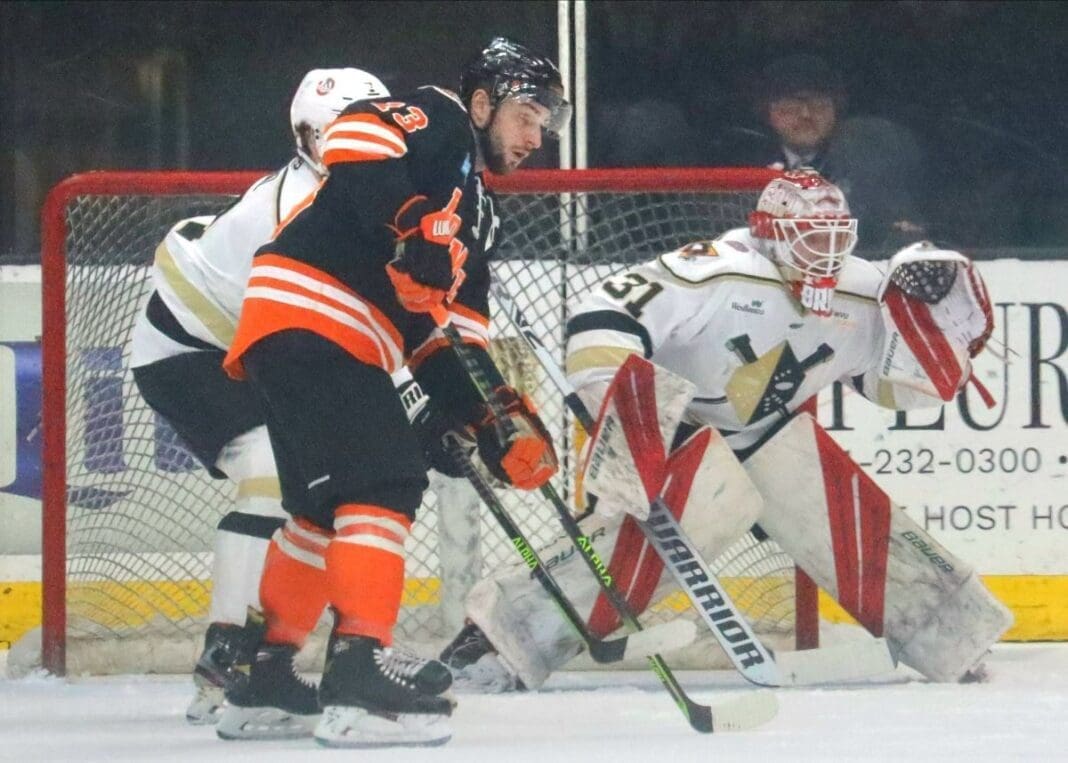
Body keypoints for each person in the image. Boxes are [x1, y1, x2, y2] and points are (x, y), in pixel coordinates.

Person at [439, 168, 1009, 692]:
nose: (827, 255)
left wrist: (939, 349)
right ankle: (497, 641)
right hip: (676, 420)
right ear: (770, 233)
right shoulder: (717, 268)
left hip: (759, 428)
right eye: (812, 236)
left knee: (827, 496)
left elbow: (879, 384)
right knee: (703, 510)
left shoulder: (864, 291)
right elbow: (603, 316)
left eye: (838, 236)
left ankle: (948, 631)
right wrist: (625, 406)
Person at [214, 37, 568, 747]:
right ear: (481, 102)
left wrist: (485, 414)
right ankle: (359, 675)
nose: (537, 137)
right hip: (316, 316)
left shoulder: (479, 218)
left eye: (545, 123)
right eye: (528, 114)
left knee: (320, 508)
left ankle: (267, 677)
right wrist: (411, 222)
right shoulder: (439, 121)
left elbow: (447, 340)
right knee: (385, 483)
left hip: (303, 330)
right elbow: (355, 133)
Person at [128, 67, 392, 725]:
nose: (344, 147)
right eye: (327, 134)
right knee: (276, 479)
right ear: (305, 137)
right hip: (191, 353)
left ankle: (267, 657)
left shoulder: (357, 195)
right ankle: (232, 661)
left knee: (321, 486)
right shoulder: (298, 209)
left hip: (247, 344)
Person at [731, 53, 928, 254]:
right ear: (767, 110)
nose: (806, 115)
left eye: (819, 104)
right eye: (791, 105)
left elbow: (901, 234)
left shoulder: (868, 168)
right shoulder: (744, 166)